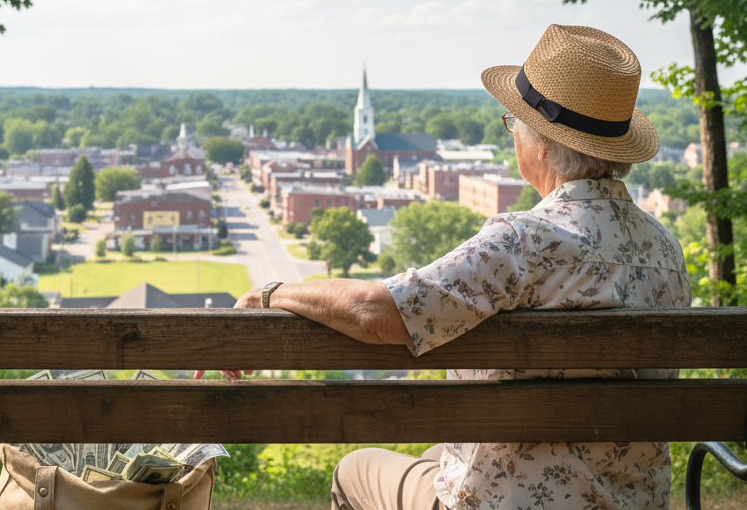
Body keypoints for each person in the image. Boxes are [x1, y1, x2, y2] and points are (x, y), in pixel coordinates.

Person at [207, 25, 692, 510]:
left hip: (507, 502)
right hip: (632, 501)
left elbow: (377, 313)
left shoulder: (524, 241)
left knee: (353, 469)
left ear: (543, 144)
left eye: (514, 124)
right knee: (436, 456)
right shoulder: (666, 250)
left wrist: (269, 294)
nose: (513, 136)